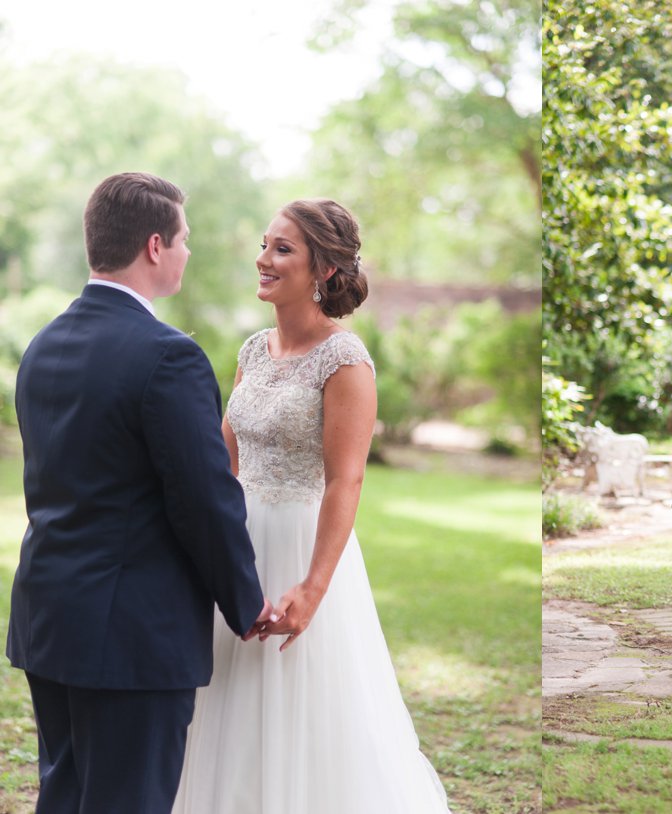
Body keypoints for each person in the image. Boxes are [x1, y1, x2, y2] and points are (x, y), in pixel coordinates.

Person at [173, 199, 450, 813]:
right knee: (228, 690)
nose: (263, 259)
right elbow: (226, 462)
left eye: (282, 249)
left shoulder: (345, 360)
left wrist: (314, 587)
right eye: (265, 243)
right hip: (239, 541)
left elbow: (345, 483)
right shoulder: (251, 351)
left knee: (308, 703)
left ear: (323, 269)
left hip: (304, 545)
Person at [8, 172, 272, 813]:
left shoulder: (43, 346)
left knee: (65, 796)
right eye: (184, 240)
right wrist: (245, 601)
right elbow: (205, 499)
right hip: (131, 634)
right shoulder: (167, 357)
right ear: (155, 246)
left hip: (50, 618)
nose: (187, 252)